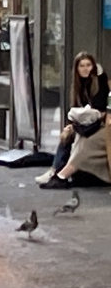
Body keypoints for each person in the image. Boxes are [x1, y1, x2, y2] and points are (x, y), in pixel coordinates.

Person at [37, 52, 111, 189]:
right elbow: (75, 110)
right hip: (87, 125)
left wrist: (98, 76)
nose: (85, 69)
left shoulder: (99, 81)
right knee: (68, 135)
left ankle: (61, 175)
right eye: (82, 66)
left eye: (89, 65)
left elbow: (99, 107)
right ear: (77, 69)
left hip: (101, 125)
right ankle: (55, 170)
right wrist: (70, 126)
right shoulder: (77, 87)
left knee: (84, 142)